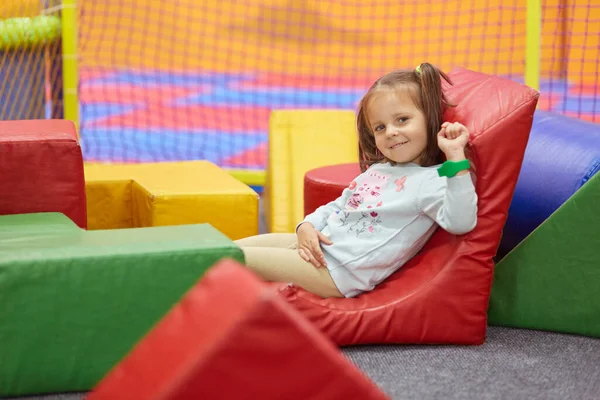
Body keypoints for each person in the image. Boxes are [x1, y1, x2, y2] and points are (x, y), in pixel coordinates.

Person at [235, 63, 478, 298]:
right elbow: (339, 206)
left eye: (402, 120)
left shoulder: (430, 179)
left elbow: (461, 222)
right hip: (324, 251)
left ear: (430, 118)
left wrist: (455, 157)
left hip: (338, 272)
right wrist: (306, 226)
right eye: (380, 127)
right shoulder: (381, 169)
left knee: (230, 257)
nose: (390, 132)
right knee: (226, 248)